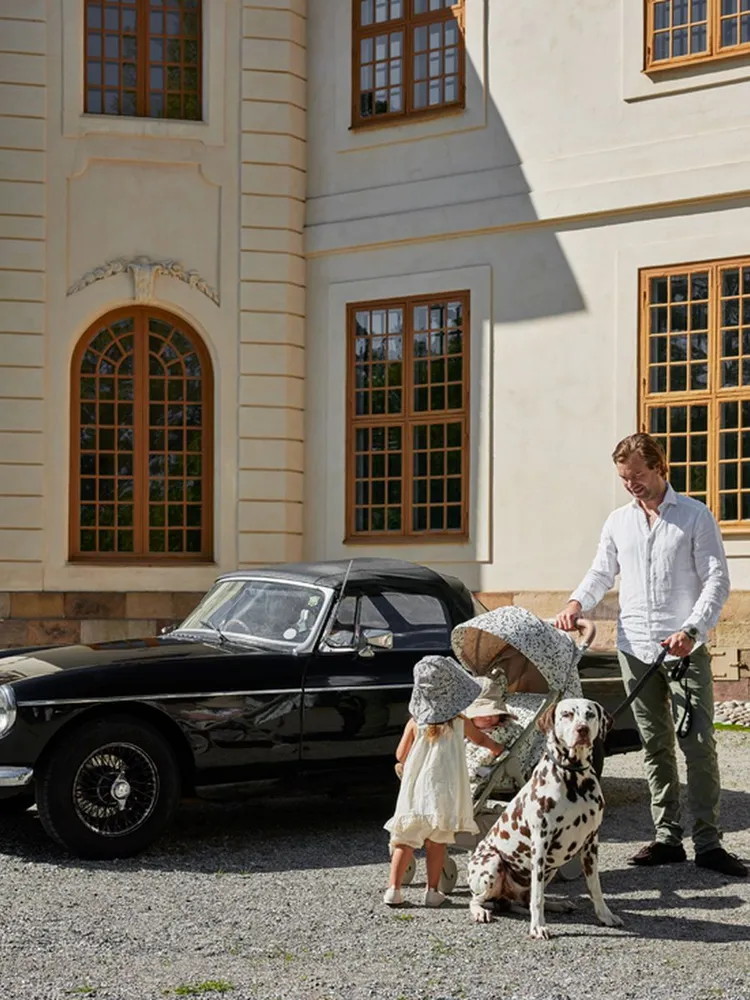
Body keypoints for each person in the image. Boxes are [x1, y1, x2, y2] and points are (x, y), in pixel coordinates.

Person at [555, 432, 746, 877]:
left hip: (684, 648)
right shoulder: (618, 521)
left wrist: (692, 629)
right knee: (655, 745)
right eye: (624, 478)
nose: (631, 484)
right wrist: (576, 602)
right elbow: (601, 571)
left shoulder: (695, 516)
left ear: (660, 467)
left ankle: (709, 843)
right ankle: (667, 838)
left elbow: (717, 580)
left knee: (698, 745)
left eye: (638, 475)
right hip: (635, 646)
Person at [383, 655, 505, 907]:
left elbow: (400, 755)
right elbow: (482, 740)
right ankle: (432, 891)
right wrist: (498, 749)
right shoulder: (459, 722)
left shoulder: (415, 723)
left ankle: (393, 890)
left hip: (415, 794)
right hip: (444, 795)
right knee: (437, 843)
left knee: (404, 840)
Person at [463, 678, 521, 796]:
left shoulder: (502, 731)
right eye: (482, 715)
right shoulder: (466, 730)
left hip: (485, 769)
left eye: (494, 714)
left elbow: (486, 757)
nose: (488, 718)